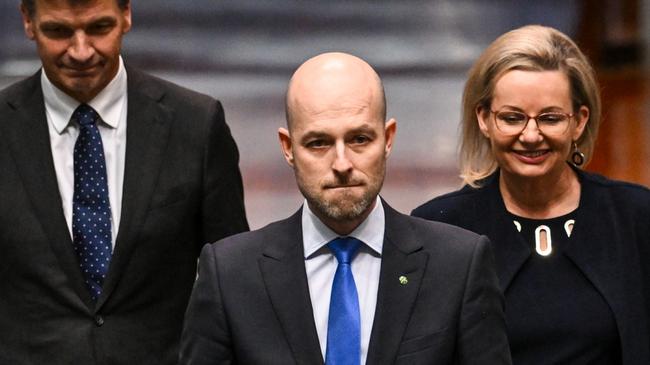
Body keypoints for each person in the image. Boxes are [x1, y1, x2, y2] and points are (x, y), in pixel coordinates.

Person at [179, 52, 511, 365]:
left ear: (388, 138)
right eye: (318, 143)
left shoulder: (458, 265)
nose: (342, 163)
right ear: (288, 147)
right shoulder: (231, 274)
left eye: (359, 139)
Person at [0, 0, 248, 364]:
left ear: (126, 15)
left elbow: (236, 281)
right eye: (59, 31)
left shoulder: (195, 125)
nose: (81, 51)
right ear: (27, 21)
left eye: (99, 28)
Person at [412, 25, 650, 364]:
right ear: (484, 119)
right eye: (512, 118)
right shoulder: (439, 228)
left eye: (550, 118)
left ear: (579, 122)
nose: (531, 135)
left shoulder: (636, 217)